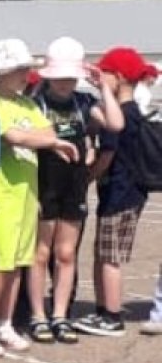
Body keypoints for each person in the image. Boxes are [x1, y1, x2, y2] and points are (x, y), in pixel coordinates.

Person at [0, 39, 79, 355]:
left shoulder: (28, 105)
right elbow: (13, 136)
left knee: (18, 264)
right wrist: (42, 140)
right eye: (18, 69)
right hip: (2, 193)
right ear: (0, 73)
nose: (25, 75)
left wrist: (42, 140)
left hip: (27, 194)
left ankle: (4, 322)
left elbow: (49, 134)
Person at [26, 37, 124, 343]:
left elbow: (116, 123)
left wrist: (102, 88)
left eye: (70, 77)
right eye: (59, 77)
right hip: (44, 183)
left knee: (66, 253)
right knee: (41, 253)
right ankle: (37, 315)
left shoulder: (83, 103)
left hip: (74, 185)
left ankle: (60, 315)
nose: (65, 83)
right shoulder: (36, 102)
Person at [75, 46, 158, 337]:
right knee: (103, 253)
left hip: (120, 193)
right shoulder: (133, 110)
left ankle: (111, 315)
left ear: (119, 77)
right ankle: (102, 310)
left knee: (109, 257)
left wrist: (88, 175)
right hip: (127, 192)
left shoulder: (121, 114)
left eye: (105, 73)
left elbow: (108, 154)